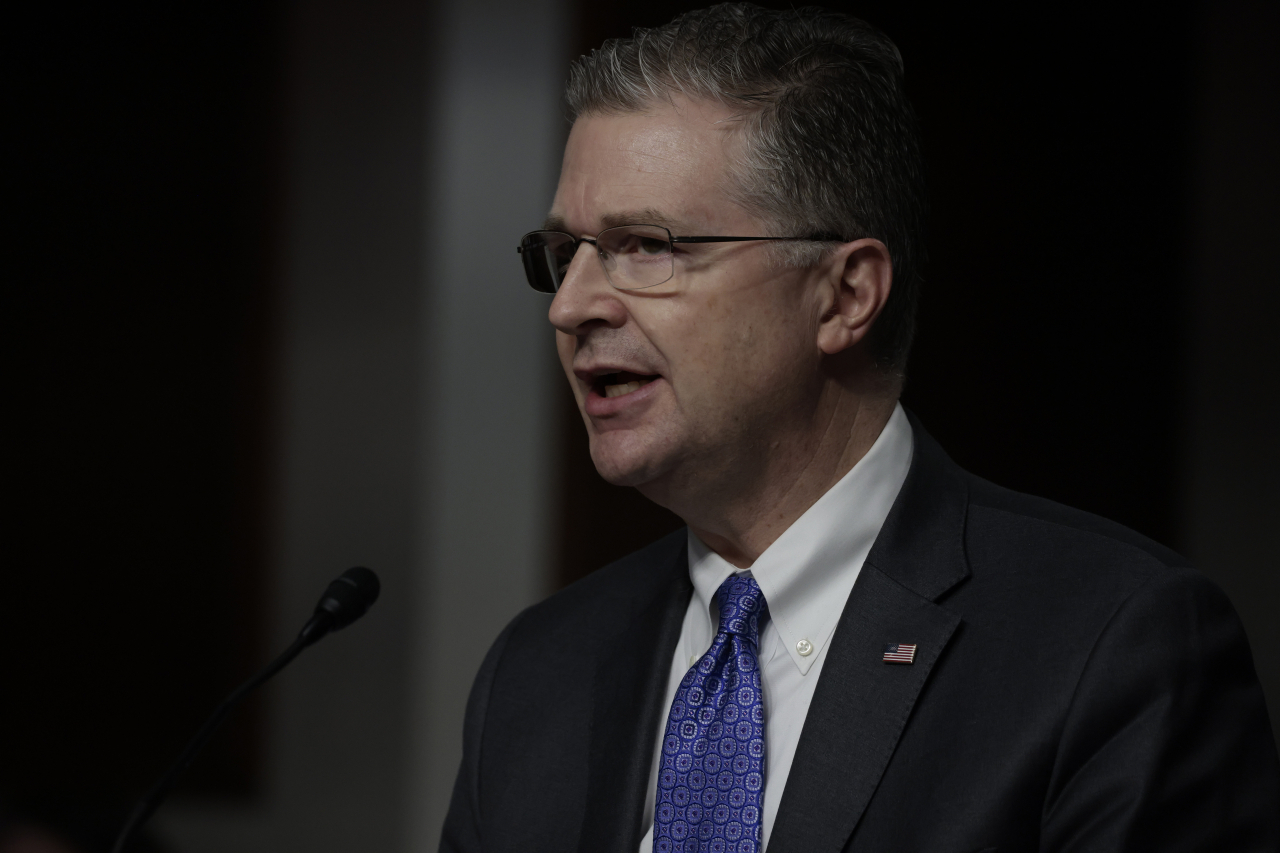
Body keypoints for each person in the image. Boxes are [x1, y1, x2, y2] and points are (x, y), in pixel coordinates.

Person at [441, 5, 1280, 851]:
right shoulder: (536, 671)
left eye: (646, 246)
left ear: (844, 294)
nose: (575, 304)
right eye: (566, 252)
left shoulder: (1111, 645)